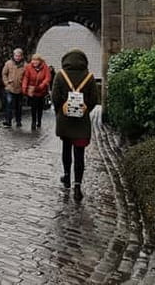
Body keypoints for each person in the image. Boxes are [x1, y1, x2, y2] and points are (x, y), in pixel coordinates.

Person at [53, 49, 98, 201]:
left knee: (66, 149)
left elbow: (55, 97)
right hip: (81, 122)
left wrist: (60, 112)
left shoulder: (60, 75)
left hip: (65, 120)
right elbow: (94, 99)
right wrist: (85, 110)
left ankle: (66, 176)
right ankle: (77, 186)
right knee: (79, 154)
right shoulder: (89, 77)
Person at [22, 53, 51, 130]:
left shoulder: (45, 67)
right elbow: (26, 78)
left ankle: (39, 121)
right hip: (32, 90)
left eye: (36, 60)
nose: (34, 62)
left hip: (41, 90)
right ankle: (33, 121)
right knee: (33, 107)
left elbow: (47, 78)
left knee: (40, 107)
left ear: (40, 61)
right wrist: (24, 87)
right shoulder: (28, 67)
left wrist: (42, 85)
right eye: (33, 60)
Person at [1, 48, 26, 128]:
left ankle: (18, 121)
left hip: (20, 88)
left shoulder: (25, 65)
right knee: (9, 104)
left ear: (22, 56)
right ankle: (8, 121)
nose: (17, 57)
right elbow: (4, 74)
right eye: (16, 56)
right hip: (10, 87)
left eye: (19, 56)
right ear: (13, 56)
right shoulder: (8, 63)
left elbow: (27, 77)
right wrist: (6, 83)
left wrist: (24, 84)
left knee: (19, 105)